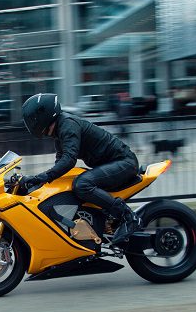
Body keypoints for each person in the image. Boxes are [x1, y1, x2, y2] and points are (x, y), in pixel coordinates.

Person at [20, 93, 142, 244]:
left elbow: (69, 160)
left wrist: (41, 177)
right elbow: (60, 163)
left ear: (42, 115)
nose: (31, 123)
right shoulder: (59, 130)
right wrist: (39, 182)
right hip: (111, 164)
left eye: (32, 119)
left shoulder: (68, 125)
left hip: (124, 163)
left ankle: (129, 217)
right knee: (68, 183)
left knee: (82, 184)